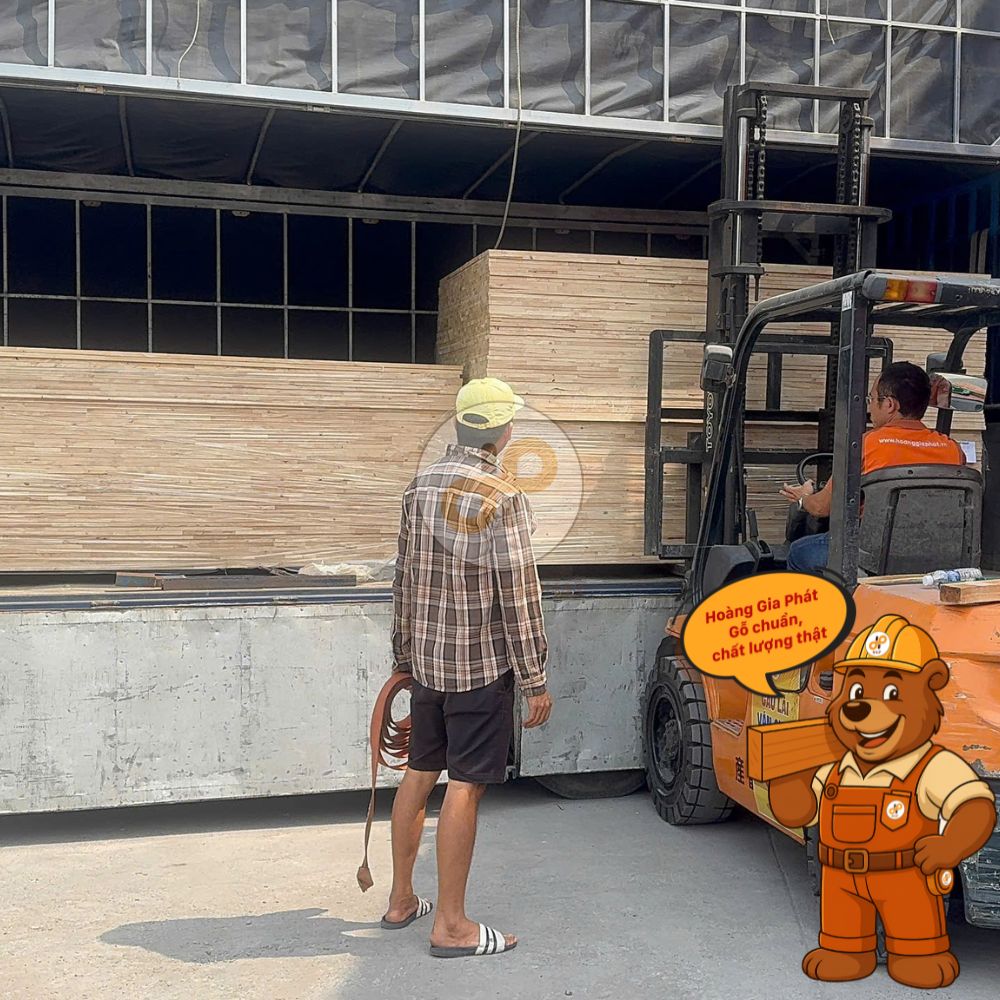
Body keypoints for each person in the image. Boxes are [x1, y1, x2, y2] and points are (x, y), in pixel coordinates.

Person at [382, 376, 553, 959]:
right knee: (465, 786)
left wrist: (404, 657)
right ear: (503, 431)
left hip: (429, 665)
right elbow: (518, 594)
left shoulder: (420, 486)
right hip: (479, 668)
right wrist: (534, 678)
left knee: (419, 772)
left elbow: (404, 578)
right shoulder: (502, 495)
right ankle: (451, 926)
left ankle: (401, 899)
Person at [780, 362, 965, 573]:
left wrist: (804, 498)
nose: (869, 408)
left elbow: (821, 508)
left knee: (798, 552)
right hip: (937, 553)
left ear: (889, 405)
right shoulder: (953, 449)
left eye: (871, 399)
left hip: (874, 555)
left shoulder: (865, 445)